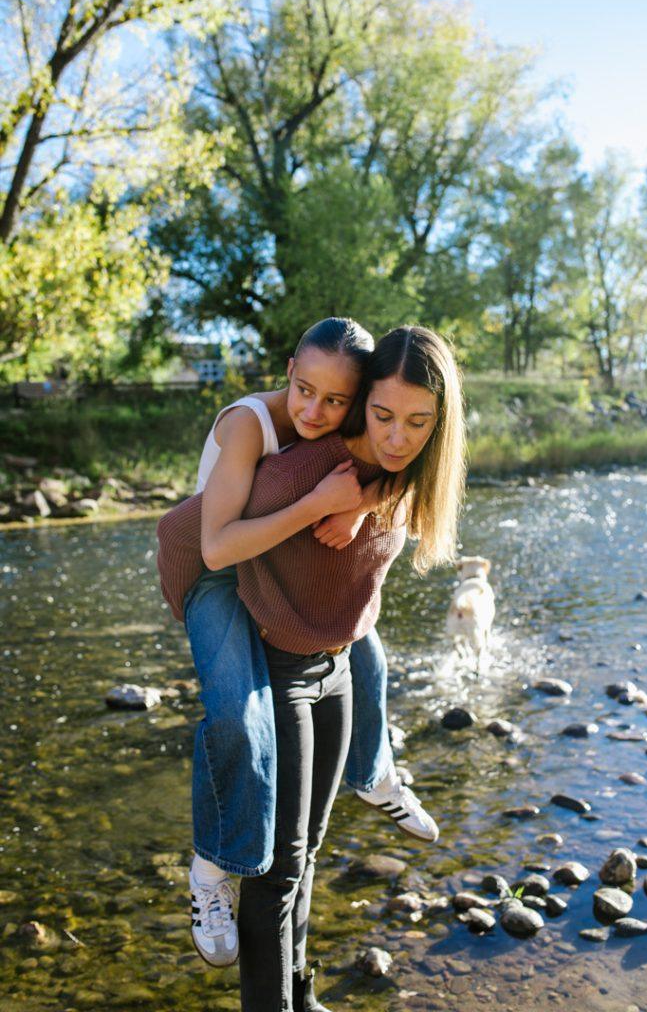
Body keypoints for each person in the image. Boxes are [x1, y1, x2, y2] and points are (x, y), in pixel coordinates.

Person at [156, 318, 438, 966]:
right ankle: (209, 869)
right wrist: (318, 505)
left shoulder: (350, 422)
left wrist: (361, 505)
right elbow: (214, 543)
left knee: (365, 652)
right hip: (212, 573)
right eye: (305, 391)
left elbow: (394, 456)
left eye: (337, 400)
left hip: (265, 559)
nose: (316, 411)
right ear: (287, 371)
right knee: (240, 713)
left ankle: (374, 775)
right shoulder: (248, 425)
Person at [234, 325, 467, 1010]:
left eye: (418, 422)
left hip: (339, 671)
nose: (397, 436)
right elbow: (206, 538)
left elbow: (398, 476)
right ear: (361, 401)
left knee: (307, 853)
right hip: (279, 669)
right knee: (275, 870)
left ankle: (301, 996)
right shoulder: (305, 471)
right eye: (383, 415)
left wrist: (367, 503)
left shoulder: (402, 477)